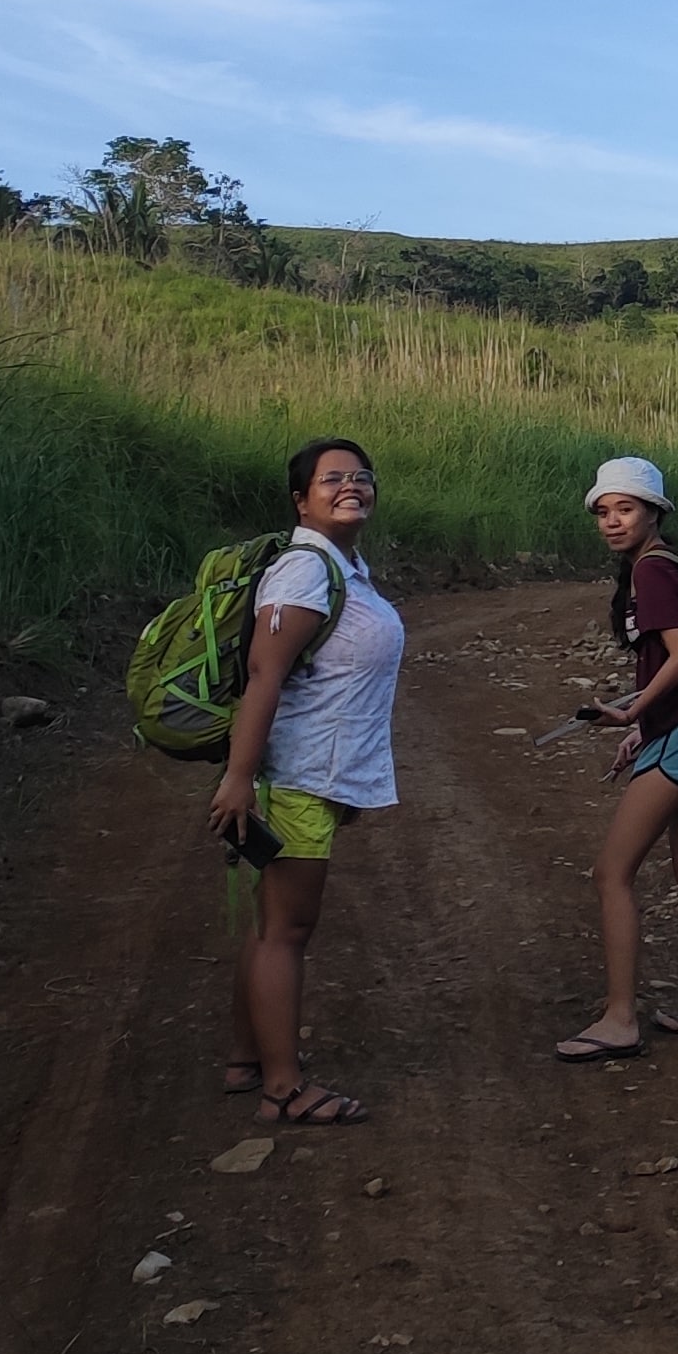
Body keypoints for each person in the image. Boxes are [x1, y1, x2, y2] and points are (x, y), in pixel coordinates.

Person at [207, 436, 406, 1126]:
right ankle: (284, 1090)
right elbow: (266, 676)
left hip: (315, 775)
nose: (352, 485)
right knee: (287, 932)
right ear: (301, 499)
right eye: (332, 479)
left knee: (271, 927)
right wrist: (237, 779)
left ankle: (245, 1059)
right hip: (293, 777)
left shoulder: (345, 565)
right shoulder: (303, 572)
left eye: (361, 475)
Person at [556, 455, 678, 1064]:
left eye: (625, 509)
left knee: (612, 873)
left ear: (654, 512)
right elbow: (670, 667)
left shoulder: (651, 573)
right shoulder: (668, 565)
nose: (611, 521)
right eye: (604, 512)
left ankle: (619, 1018)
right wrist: (641, 725)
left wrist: (635, 715)